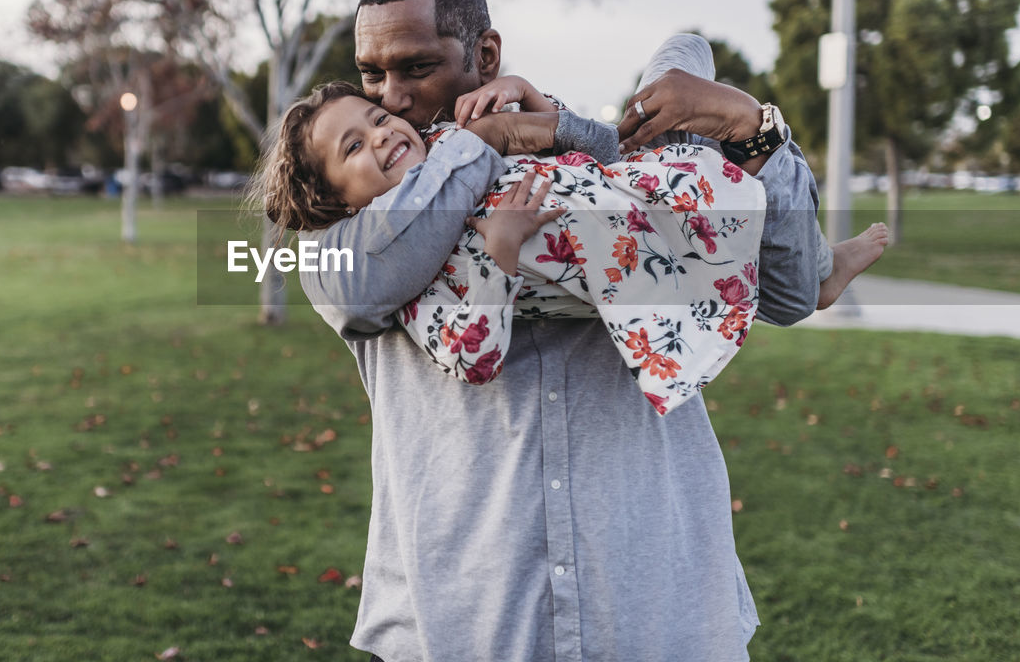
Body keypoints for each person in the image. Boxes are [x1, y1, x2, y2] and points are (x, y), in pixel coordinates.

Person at [295, 0, 839, 662]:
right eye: (370, 75)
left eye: (414, 68)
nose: (389, 100)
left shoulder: (579, 167)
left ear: (485, 54)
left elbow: (786, 289)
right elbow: (364, 283)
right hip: (459, 641)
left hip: (658, 628)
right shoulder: (339, 228)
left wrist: (751, 129)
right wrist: (484, 144)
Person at [256, 79, 769, 416]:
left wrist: (526, 95)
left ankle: (817, 252)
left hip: (657, 188)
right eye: (352, 147)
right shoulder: (402, 263)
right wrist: (499, 256)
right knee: (764, 232)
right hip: (669, 254)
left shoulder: (447, 144)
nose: (381, 135)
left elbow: (579, 142)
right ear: (337, 202)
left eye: (377, 119)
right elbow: (472, 358)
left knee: (693, 75)